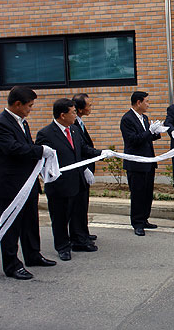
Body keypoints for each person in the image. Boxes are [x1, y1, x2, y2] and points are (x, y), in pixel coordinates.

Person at [0, 86, 56, 280]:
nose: (31, 109)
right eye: (29, 105)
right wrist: (40, 151)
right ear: (17, 104)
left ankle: (33, 255)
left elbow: (26, 146)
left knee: (30, 221)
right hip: (10, 186)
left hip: (27, 183)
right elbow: (14, 149)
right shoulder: (0, 124)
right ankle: (11, 265)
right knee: (11, 226)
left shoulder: (22, 123)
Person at [36, 98, 103, 261]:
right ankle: (62, 247)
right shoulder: (46, 134)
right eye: (73, 112)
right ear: (62, 115)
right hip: (60, 184)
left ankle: (79, 241)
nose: (75, 115)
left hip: (78, 180)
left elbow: (83, 149)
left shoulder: (73, 130)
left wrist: (102, 153)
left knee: (78, 213)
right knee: (60, 217)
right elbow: (42, 161)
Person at [121, 91, 166, 236]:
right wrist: (149, 132)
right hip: (135, 163)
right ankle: (137, 223)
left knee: (147, 193)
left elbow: (147, 138)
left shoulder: (144, 118)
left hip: (148, 161)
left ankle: (145, 219)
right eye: (146, 101)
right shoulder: (127, 119)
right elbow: (133, 140)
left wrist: (157, 132)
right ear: (138, 102)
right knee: (138, 193)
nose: (148, 104)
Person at [72, 93, 97, 242]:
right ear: (80, 109)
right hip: (79, 170)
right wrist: (84, 168)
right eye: (88, 105)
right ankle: (78, 235)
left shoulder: (80, 123)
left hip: (85, 168)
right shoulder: (73, 125)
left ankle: (84, 232)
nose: (90, 108)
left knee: (84, 203)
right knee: (78, 205)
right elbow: (79, 149)